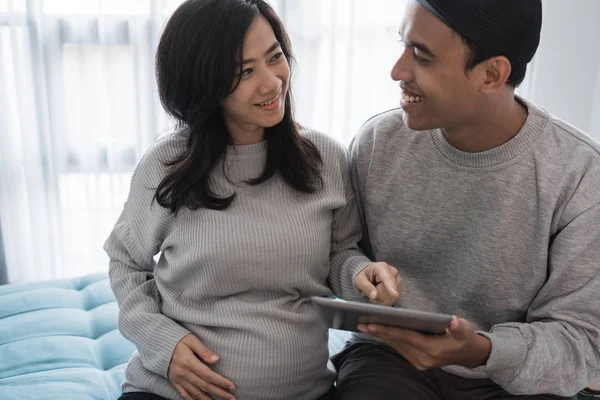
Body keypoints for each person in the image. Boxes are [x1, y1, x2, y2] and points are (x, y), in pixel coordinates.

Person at [103, 1, 402, 399]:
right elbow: (126, 262)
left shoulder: (326, 158)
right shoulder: (166, 165)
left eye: (275, 56)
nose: (272, 82)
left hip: (304, 391)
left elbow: (340, 253)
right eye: (244, 72)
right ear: (204, 83)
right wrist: (162, 343)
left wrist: (362, 277)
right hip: (170, 392)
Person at [332, 0, 600, 399]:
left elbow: (581, 340)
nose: (397, 71)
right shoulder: (378, 143)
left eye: (421, 55)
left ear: (492, 74)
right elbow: (341, 252)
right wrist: (358, 274)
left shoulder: (579, 173)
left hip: (516, 381)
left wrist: (483, 352)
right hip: (390, 360)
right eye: (403, 45)